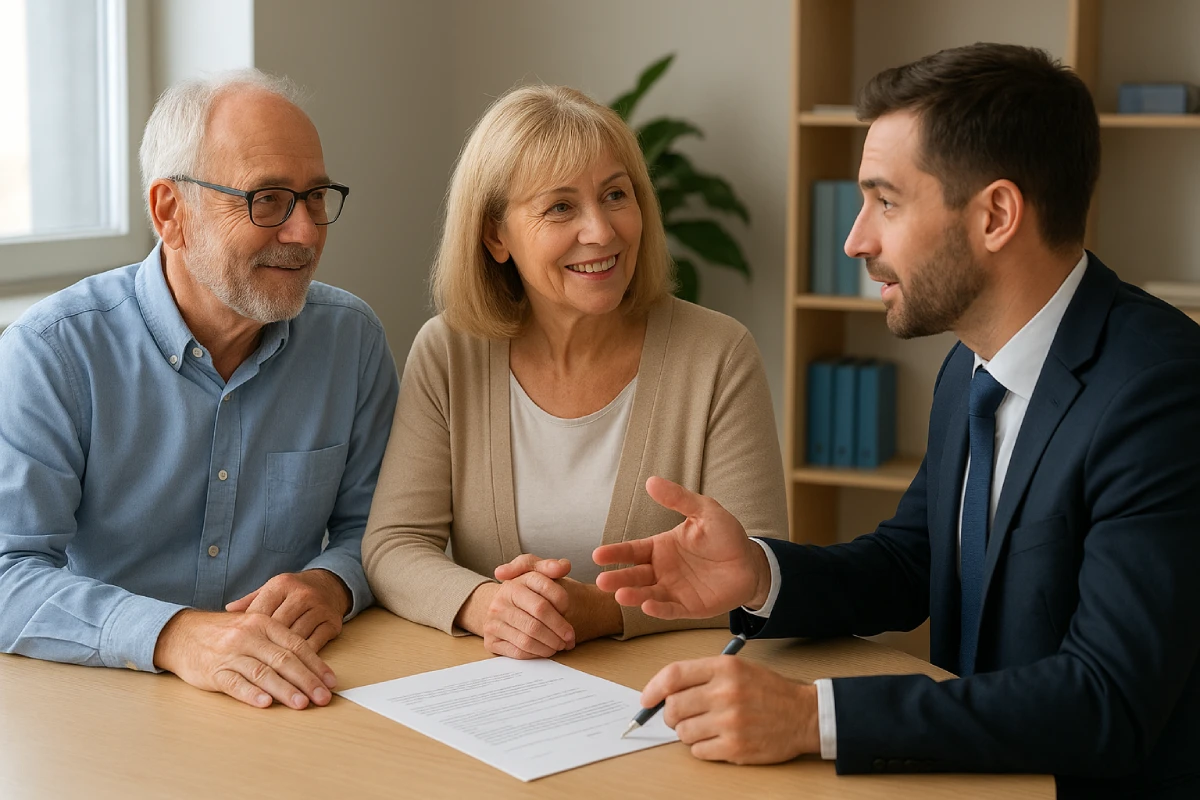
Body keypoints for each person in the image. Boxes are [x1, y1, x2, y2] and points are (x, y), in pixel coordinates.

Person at [593, 43, 1200, 799]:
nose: (856, 240)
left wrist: (812, 718)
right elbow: (913, 563)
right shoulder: (971, 366)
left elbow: (1106, 699)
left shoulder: (1160, 391)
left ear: (996, 216)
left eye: (886, 201)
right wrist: (758, 572)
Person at [0, 70, 399, 711]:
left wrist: (333, 582)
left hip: (296, 697)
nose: (305, 233)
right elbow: (6, 574)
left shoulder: (350, 341)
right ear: (171, 213)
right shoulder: (52, 353)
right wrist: (176, 636)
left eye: (316, 196)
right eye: (267, 199)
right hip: (103, 705)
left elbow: (380, 529)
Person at [361, 85, 786, 659]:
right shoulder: (448, 352)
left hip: (663, 694)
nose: (602, 231)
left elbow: (760, 568)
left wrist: (602, 611)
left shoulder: (719, 353)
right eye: (560, 207)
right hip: (496, 696)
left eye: (615, 194)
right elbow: (394, 544)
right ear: (495, 236)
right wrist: (490, 605)